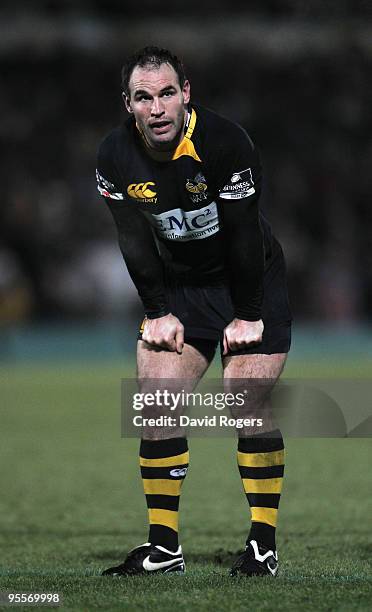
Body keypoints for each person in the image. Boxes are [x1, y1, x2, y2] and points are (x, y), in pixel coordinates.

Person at [96, 46, 292, 577]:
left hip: (247, 283)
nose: (156, 108)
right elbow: (133, 240)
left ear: (186, 94)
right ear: (128, 104)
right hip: (183, 289)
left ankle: (262, 545)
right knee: (156, 404)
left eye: (165, 94)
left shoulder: (227, 143)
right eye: (143, 97)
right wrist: (157, 310)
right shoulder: (113, 157)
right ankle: (164, 549)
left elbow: (245, 237)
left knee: (245, 402)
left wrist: (249, 313)